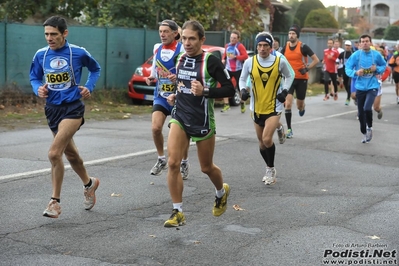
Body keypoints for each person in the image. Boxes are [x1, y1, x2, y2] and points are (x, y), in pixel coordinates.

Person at [163, 20, 235, 227]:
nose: (187, 42)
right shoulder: (179, 58)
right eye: (184, 38)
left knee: (206, 167)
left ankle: (221, 192)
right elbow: (183, 83)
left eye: (192, 38)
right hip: (180, 116)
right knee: (173, 163)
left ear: (202, 39)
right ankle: (177, 212)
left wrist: (205, 91)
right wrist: (176, 96)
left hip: (202, 119)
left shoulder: (211, 62)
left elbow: (230, 89)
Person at [29, 16, 101, 218]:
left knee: (54, 153)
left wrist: (88, 87)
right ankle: (89, 183)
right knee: (71, 155)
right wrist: (38, 89)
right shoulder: (41, 55)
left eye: (53, 34)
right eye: (46, 34)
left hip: (73, 108)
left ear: (64, 33)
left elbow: (95, 69)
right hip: (52, 109)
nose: (49, 38)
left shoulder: (77, 52)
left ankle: (55, 202)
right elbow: (34, 77)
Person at [239, 32, 294, 185]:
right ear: (256, 47)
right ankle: (279, 128)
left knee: (266, 139)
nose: (262, 49)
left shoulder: (279, 62)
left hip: (273, 106)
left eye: (265, 46)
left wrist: (284, 91)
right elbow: (242, 78)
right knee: (261, 143)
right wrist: (243, 90)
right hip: (256, 107)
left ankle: (270, 169)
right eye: (259, 46)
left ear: (271, 47)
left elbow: (289, 76)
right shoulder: (250, 62)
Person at [145, 20, 190, 179]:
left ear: (174, 33)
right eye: (160, 31)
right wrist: (151, 78)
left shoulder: (183, 49)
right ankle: (161, 159)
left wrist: (177, 77)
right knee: (156, 128)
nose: (162, 34)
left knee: (179, 134)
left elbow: (189, 71)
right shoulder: (157, 48)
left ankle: (184, 161)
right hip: (161, 96)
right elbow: (155, 71)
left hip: (179, 97)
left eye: (166, 31)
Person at [345, 34, 386, 143]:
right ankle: (364, 131)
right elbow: (347, 68)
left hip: (372, 86)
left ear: (370, 42)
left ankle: (370, 127)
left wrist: (376, 69)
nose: (365, 43)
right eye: (362, 41)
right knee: (360, 112)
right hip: (360, 87)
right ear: (360, 43)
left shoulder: (376, 55)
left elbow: (384, 65)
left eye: (367, 41)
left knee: (367, 108)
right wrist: (356, 72)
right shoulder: (356, 55)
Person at [280, 24, 319, 139]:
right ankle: (289, 129)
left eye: (293, 34)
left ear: (297, 36)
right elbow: (280, 60)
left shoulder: (303, 47)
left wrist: (307, 68)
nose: (291, 35)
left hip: (302, 79)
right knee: (288, 104)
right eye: (290, 33)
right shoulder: (285, 47)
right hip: (289, 79)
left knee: (299, 105)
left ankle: (302, 107)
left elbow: (316, 60)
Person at [221, 30, 248, 113]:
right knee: (225, 85)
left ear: (238, 39)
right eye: (231, 37)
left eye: (234, 38)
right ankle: (226, 104)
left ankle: (242, 103)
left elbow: (245, 56)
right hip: (228, 69)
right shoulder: (227, 46)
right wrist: (223, 59)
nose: (232, 39)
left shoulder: (240, 46)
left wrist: (236, 57)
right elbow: (225, 55)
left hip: (238, 69)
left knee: (240, 88)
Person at [338, 40, 353, 105]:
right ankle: (349, 94)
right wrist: (336, 64)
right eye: (346, 45)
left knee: (349, 84)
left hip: (351, 71)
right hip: (345, 70)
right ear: (345, 46)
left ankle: (348, 98)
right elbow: (337, 59)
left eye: (348, 45)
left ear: (350, 46)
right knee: (345, 84)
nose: (347, 47)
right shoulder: (342, 54)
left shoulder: (353, 54)